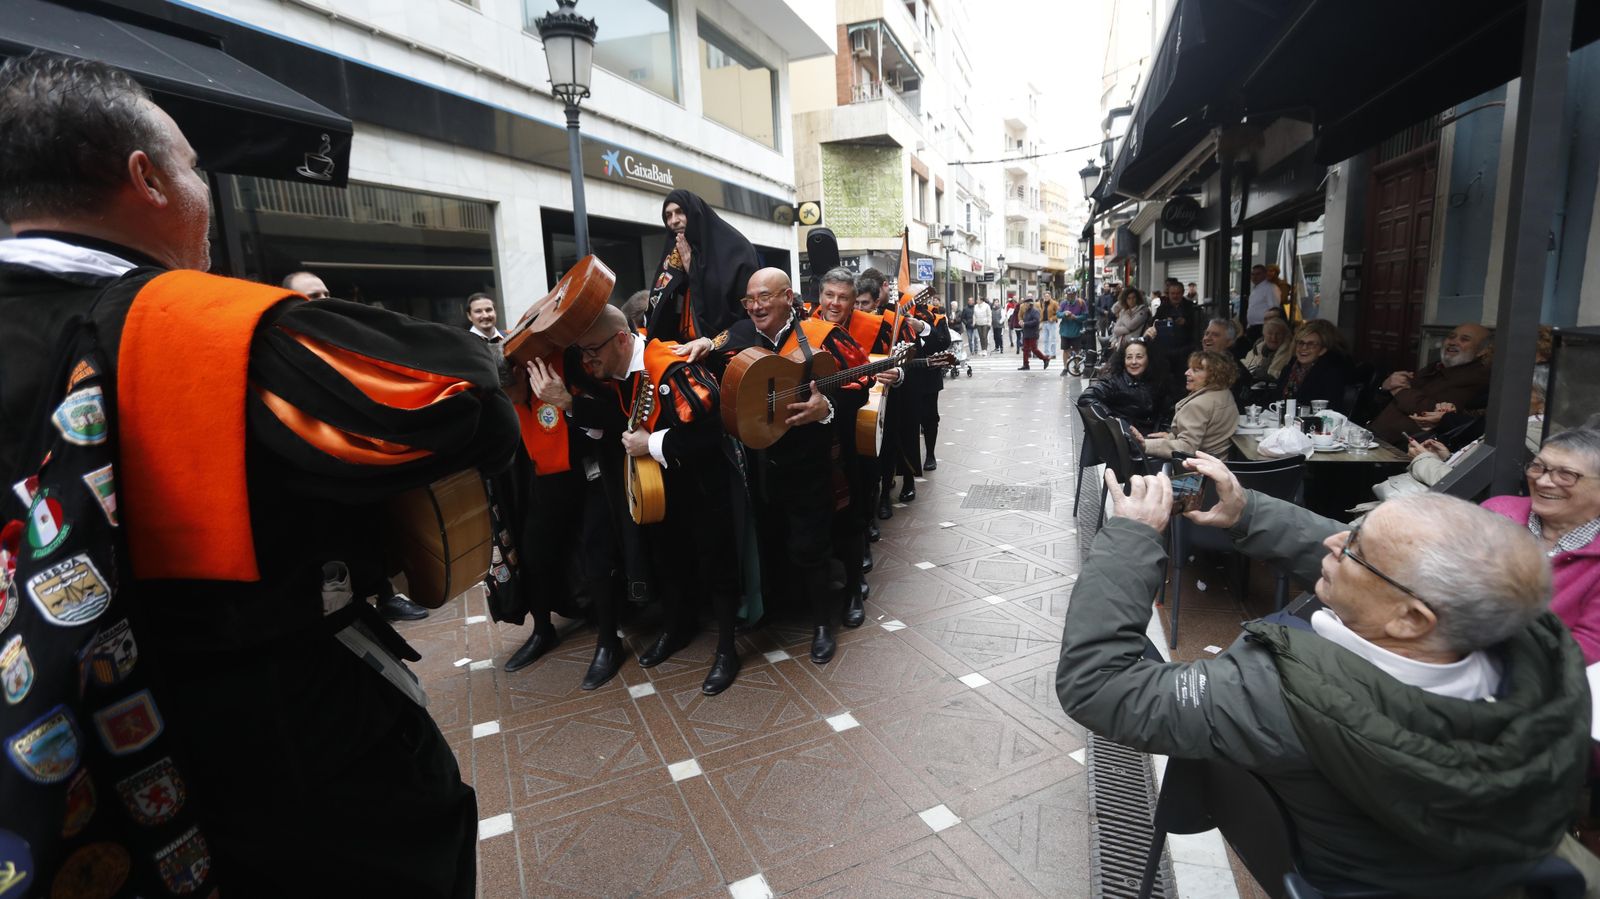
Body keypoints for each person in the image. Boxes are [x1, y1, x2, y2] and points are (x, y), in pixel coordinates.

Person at [0, 53, 517, 896]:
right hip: (286, 779)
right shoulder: (188, 325)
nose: (206, 191)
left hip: (67, 801)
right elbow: (464, 402)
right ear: (147, 179)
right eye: (194, 167)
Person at [1058, 457, 1593, 897]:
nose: (1335, 545)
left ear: (1410, 620)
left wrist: (1130, 538)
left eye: (1354, 548)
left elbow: (1097, 684)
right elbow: (1394, 571)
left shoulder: (1283, 697)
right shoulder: (1537, 649)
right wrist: (1248, 513)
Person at [562, 305, 745, 694]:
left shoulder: (670, 365)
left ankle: (727, 649)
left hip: (703, 486)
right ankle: (677, 628)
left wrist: (653, 443)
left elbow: (715, 430)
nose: (587, 359)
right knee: (667, 558)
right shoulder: (617, 372)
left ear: (622, 340)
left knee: (717, 565)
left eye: (593, 350)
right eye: (583, 353)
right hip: (661, 491)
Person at [706, 269, 870, 664]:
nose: (756, 307)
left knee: (812, 545)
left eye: (764, 298)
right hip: (756, 462)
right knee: (769, 538)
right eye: (750, 301)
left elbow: (859, 381)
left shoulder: (821, 334)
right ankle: (776, 609)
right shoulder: (734, 340)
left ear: (787, 298)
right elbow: (710, 379)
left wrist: (826, 406)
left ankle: (821, 626)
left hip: (811, 460)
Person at [816, 267, 901, 627]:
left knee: (858, 494)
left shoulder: (872, 325)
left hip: (860, 423)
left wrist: (898, 374)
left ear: (854, 300)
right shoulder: (804, 326)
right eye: (829, 296)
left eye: (843, 297)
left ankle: (858, 566)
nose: (835, 304)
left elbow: (894, 362)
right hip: (815, 436)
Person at [1483, 426, 1600, 665]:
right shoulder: (1495, 513)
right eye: (1538, 466)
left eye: (1566, 474)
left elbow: (1590, 647)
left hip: (1539, 678)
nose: (1544, 481)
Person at [644, 189, 758, 344]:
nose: (674, 221)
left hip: (729, 349)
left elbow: (737, 310)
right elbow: (660, 303)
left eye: (680, 212)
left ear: (695, 213)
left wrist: (693, 270)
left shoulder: (736, 249)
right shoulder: (675, 249)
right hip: (682, 348)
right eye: (668, 215)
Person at [1368, 323, 1493, 445]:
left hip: (1405, 449)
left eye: (1464, 339)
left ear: (1481, 351)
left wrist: (1399, 390)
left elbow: (1431, 413)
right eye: (1451, 336)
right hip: (1375, 437)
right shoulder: (1436, 367)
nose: (1453, 342)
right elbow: (1386, 402)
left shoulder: (1476, 378)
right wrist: (1385, 387)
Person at [1134, 350, 1240, 460]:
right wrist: (1170, 437)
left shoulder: (1197, 406)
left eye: (1195, 370)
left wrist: (1145, 444)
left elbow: (1187, 448)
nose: (1187, 373)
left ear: (1214, 375)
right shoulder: (1225, 393)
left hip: (1199, 471)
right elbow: (1208, 435)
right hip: (1219, 463)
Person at [1078, 338, 1169, 437]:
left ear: (1148, 358)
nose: (1133, 362)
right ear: (1123, 360)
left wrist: (1165, 431)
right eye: (1129, 357)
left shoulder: (1158, 380)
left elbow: (1166, 412)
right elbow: (1086, 397)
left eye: (1139, 357)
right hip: (1127, 440)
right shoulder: (1114, 381)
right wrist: (1114, 421)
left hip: (1153, 439)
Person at [1276, 319, 1351, 413]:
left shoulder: (1330, 375)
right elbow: (1276, 400)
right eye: (1301, 343)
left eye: (1311, 344)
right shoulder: (1288, 370)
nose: (1304, 348)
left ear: (1322, 350)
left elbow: (1331, 409)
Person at [1198, 317, 1253, 408]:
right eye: (1206, 333)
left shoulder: (1237, 371)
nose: (1207, 338)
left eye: (1215, 335)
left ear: (1229, 342)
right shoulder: (1197, 361)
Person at [1108, 286, 1152, 359]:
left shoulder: (1143, 311)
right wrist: (1127, 330)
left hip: (1136, 346)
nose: (1131, 300)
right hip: (1121, 345)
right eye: (1128, 298)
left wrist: (1125, 317)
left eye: (1134, 297)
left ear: (1137, 298)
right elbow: (1115, 329)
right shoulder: (1124, 311)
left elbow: (1131, 325)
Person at [1058, 290, 1088, 377]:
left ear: (1075, 294)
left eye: (1071, 295)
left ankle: (1076, 366)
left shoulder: (1081, 303)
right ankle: (1065, 368)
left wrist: (1075, 317)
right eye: (1068, 295)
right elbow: (1058, 314)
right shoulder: (1064, 303)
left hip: (1076, 331)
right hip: (1065, 331)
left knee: (1077, 350)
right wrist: (1064, 313)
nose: (1069, 296)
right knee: (1065, 350)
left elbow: (1085, 316)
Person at [1245, 263, 1281, 331]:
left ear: (1265, 274)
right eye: (1253, 274)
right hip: (1252, 327)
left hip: (1263, 327)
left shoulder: (1270, 288)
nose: (1254, 277)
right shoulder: (1256, 289)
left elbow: (1274, 310)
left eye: (1258, 274)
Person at [1018, 300, 1049, 370]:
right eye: (1025, 304)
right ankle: (1025, 364)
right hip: (1026, 332)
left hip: (1032, 333)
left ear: (1030, 304)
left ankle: (1045, 358)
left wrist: (1025, 324)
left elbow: (1036, 321)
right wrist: (1021, 321)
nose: (1025, 305)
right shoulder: (1026, 311)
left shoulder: (1035, 311)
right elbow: (1024, 319)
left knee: (1034, 349)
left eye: (1026, 304)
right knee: (1025, 349)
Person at [1038, 292, 1061, 360]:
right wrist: (1040, 321)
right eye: (1045, 296)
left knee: (1052, 339)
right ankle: (1046, 353)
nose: (1046, 297)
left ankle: (1053, 354)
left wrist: (1053, 318)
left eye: (1047, 296)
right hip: (1044, 323)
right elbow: (1042, 313)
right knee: (1045, 339)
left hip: (1051, 323)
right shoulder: (1043, 303)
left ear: (1050, 296)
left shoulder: (1054, 303)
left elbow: (1059, 313)